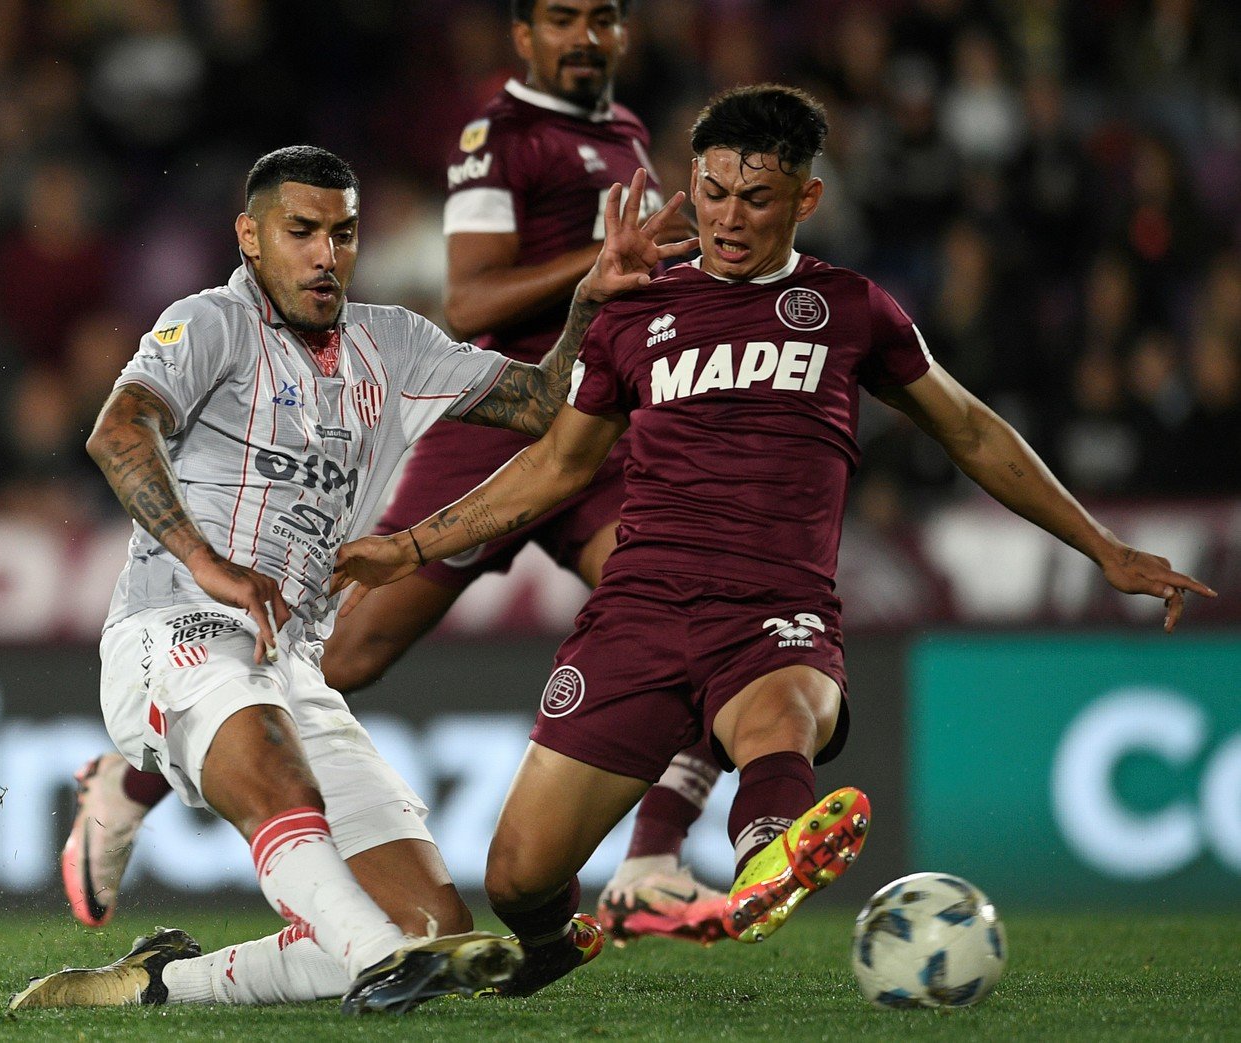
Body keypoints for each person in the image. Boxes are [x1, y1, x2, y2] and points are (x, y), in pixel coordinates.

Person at [331, 83, 1217, 983]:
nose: (727, 217)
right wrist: (407, 546)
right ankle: (560, 944)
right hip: (636, 613)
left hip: (773, 610)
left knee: (779, 713)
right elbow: (556, 465)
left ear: (806, 198)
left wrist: (1104, 547)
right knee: (516, 878)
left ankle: (767, 852)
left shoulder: (850, 307)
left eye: (756, 198)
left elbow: (971, 429)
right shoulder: (637, 311)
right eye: (712, 192)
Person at [61, 0, 723, 947]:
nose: (326, 255)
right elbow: (117, 430)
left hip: (306, 648)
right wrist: (205, 562)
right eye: (300, 232)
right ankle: (327, 920)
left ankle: (168, 975)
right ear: (250, 238)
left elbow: (543, 405)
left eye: (343, 234)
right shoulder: (208, 319)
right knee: (313, 738)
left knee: (437, 923)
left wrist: (586, 302)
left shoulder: (394, 340)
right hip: (183, 624)